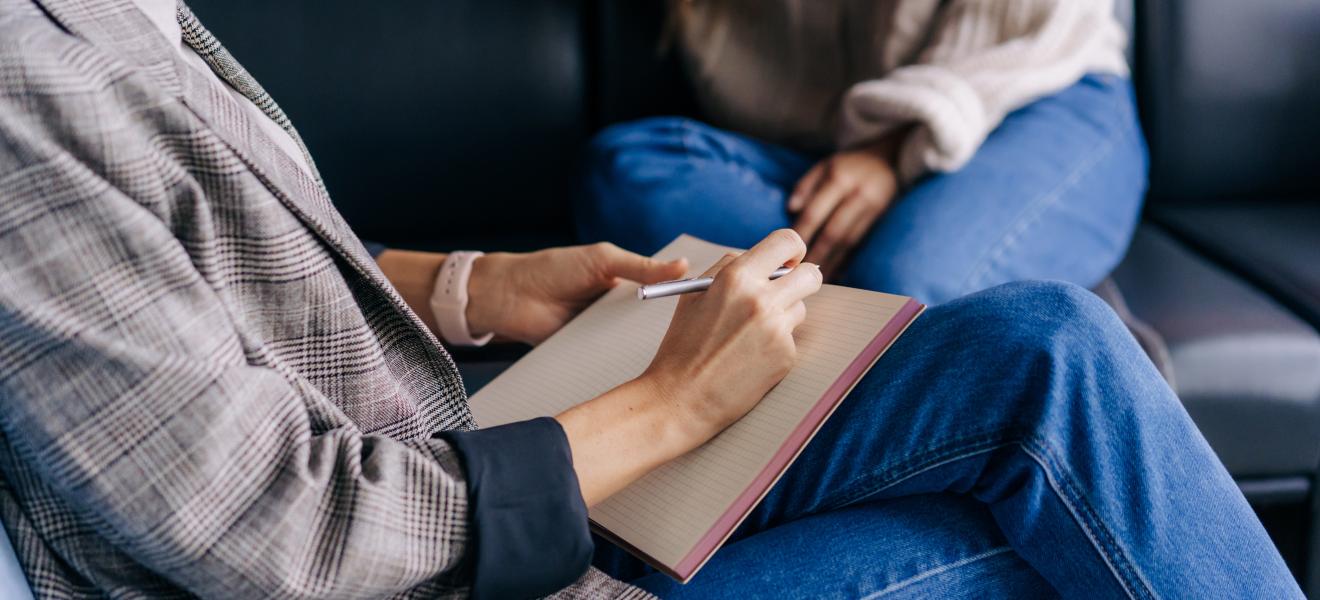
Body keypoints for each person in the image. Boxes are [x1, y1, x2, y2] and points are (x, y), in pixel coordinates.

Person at [0, 0, 1300, 598]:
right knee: (1074, 504)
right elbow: (277, 536)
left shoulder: (105, 21)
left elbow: (195, 274)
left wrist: (480, 282)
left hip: (454, 455)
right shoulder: (23, 83)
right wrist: (674, 402)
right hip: (435, 547)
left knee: (1054, 354)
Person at [578, 0, 1147, 305]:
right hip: (832, 153)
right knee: (624, 172)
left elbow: (1031, 22)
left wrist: (894, 147)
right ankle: (937, 276)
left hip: (1028, 90)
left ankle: (916, 279)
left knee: (903, 283)